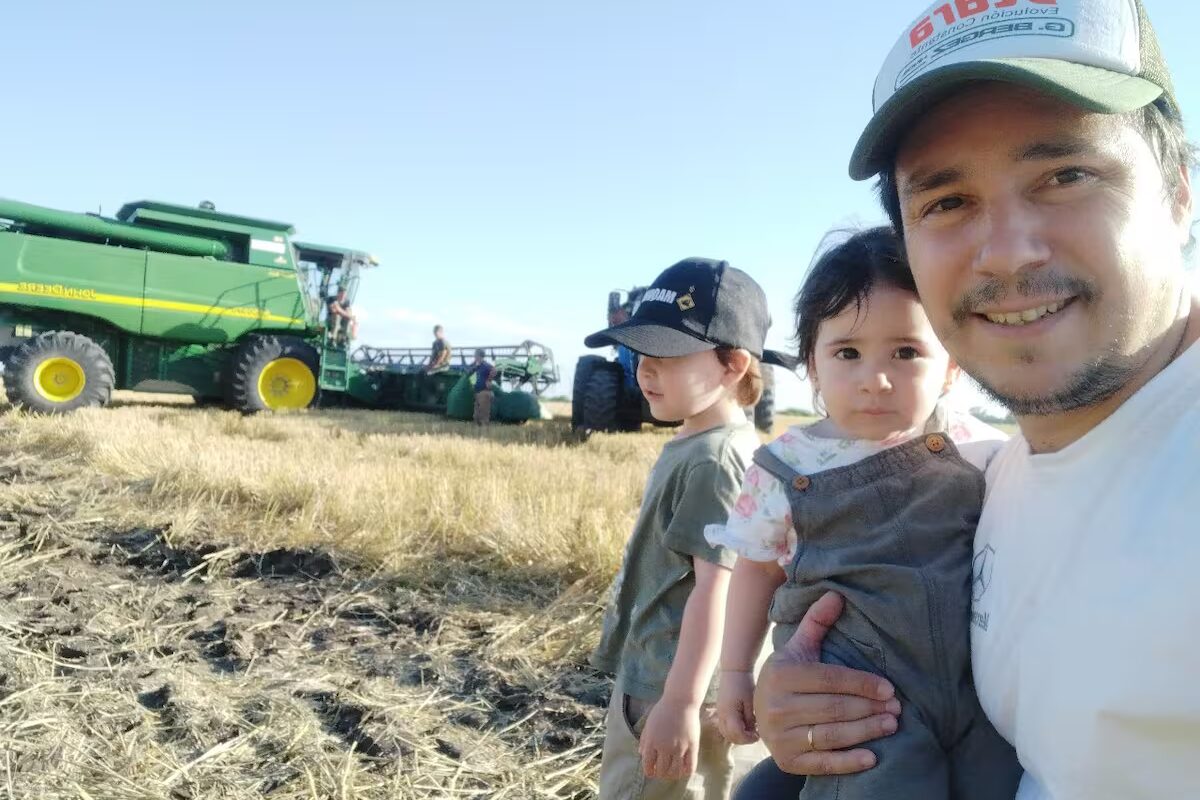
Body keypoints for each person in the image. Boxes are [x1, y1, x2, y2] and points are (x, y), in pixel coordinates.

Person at [750, 1, 1200, 797]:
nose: (1006, 253)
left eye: (1066, 175)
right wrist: (817, 699)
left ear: (1179, 191)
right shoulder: (988, 474)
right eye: (947, 202)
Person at [709, 227, 1019, 799]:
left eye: (906, 352)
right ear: (812, 365)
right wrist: (735, 674)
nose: (875, 380)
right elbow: (755, 570)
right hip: (857, 700)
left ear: (950, 366)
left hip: (976, 693)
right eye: (847, 353)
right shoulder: (786, 465)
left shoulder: (978, 449)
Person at [584, 257, 786, 799]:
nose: (644, 369)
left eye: (667, 355)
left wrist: (679, 704)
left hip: (672, 686)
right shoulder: (709, 445)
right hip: (669, 677)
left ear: (733, 365)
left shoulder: (715, 462)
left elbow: (716, 591)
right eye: (640, 355)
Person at [466, 348, 495, 426]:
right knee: (476, 416)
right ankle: (478, 434)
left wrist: (489, 380)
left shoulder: (485, 365)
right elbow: (469, 373)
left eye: (475, 355)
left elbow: (494, 370)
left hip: (484, 392)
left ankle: (484, 432)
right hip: (478, 392)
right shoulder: (476, 366)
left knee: (483, 415)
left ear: (478, 356)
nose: (474, 356)